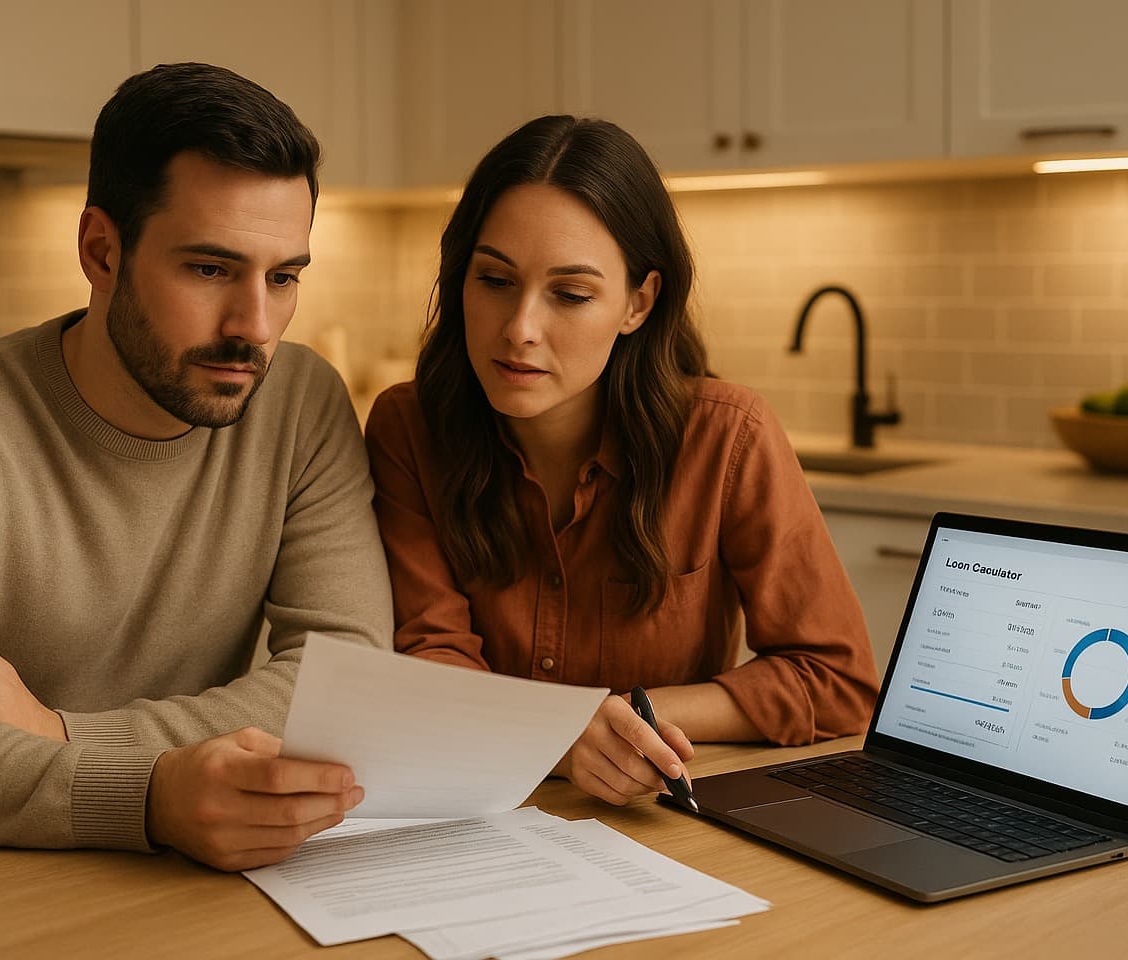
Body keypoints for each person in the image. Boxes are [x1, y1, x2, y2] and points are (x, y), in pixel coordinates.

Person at [0, 63, 393, 872]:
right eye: (211, 269)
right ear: (101, 251)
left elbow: (347, 678)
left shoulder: (302, 403)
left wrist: (60, 734)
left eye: (283, 277)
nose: (255, 326)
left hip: (138, 868)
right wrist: (150, 794)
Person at [365, 115, 879, 806]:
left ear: (638, 303)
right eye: (494, 280)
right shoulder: (408, 427)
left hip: (657, 821)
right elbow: (431, 662)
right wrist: (559, 733)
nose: (519, 329)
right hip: (472, 811)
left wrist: (619, 717)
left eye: (571, 295)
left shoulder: (728, 436)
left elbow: (838, 682)